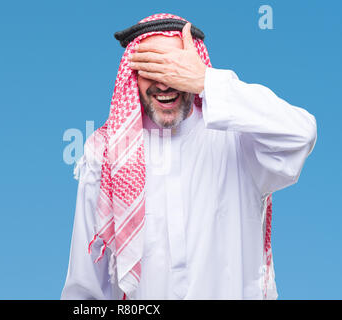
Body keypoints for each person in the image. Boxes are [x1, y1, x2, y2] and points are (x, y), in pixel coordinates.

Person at [60, 13, 317, 300]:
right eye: (152, 68)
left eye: (175, 69)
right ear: (132, 74)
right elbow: (85, 289)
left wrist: (207, 82)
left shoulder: (238, 137)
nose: (165, 82)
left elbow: (301, 134)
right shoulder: (105, 154)